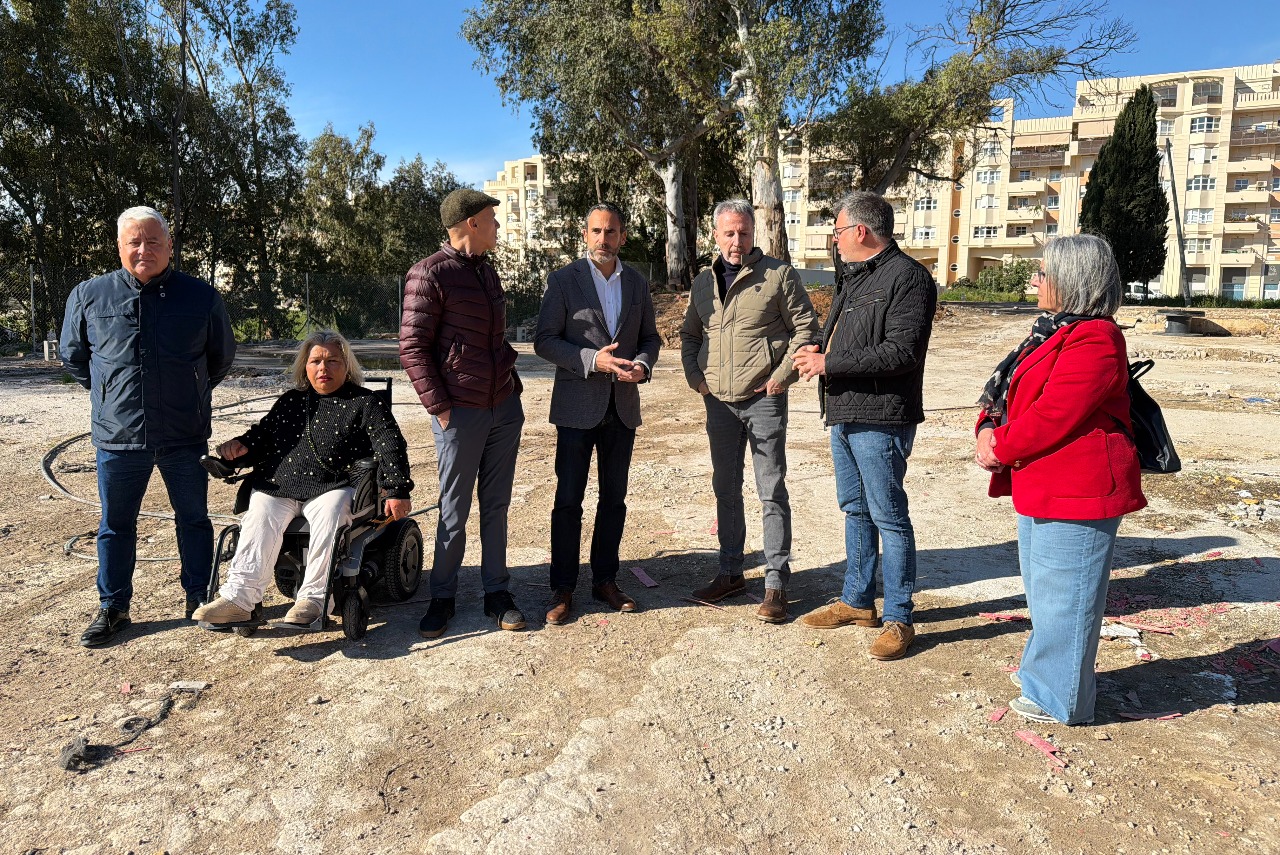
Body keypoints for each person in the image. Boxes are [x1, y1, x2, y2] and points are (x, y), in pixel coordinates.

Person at [973, 235, 1145, 724]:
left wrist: (1000, 446)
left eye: (1043, 273)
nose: (1034, 280)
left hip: (1079, 488)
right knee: (1046, 592)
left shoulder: (1096, 338)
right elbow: (1008, 393)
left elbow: (1054, 414)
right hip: (1043, 482)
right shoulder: (1050, 331)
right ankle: (1046, 674)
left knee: (1068, 598)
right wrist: (987, 427)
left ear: (1072, 281)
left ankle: (1061, 698)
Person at [61, 206, 236, 647]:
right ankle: (114, 607)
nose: (144, 250)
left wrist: (189, 392)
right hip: (119, 439)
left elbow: (220, 358)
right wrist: (109, 393)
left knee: (193, 519)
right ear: (120, 247)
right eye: (134, 242)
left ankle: (200, 595)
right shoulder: (89, 296)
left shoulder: (200, 297)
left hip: (184, 434)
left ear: (169, 246)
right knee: (116, 524)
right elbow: (74, 356)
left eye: (153, 241)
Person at [792, 190, 935, 661]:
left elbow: (901, 352)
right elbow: (834, 336)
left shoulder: (909, 278)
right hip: (846, 411)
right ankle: (857, 602)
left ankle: (899, 616)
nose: (834, 239)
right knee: (855, 510)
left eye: (836, 230)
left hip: (882, 416)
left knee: (890, 517)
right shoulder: (853, 277)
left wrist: (829, 362)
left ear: (860, 231)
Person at [192, 331, 413, 628]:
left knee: (332, 510)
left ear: (346, 366)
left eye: (333, 360)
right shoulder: (291, 402)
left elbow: (390, 445)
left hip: (333, 486)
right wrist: (239, 446)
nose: (324, 368)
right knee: (259, 508)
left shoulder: (366, 402)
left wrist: (397, 488)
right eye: (316, 361)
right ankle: (239, 600)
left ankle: (313, 600)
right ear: (305, 367)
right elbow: (263, 436)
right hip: (282, 486)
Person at [680, 199, 818, 623]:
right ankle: (729, 572)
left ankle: (775, 582)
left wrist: (781, 379)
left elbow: (806, 330)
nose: (736, 241)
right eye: (728, 233)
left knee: (770, 490)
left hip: (764, 400)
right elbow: (689, 335)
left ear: (753, 232)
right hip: (718, 403)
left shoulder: (778, 275)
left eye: (742, 232)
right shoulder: (703, 282)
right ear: (716, 235)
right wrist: (696, 379)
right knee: (726, 489)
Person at [400, 188, 526, 638]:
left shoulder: (487, 272)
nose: (497, 224)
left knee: (496, 506)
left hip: (502, 409)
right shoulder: (428, 274)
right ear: (471, 222)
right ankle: (443, 597)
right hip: (461, 414)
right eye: (491, 217)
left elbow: (491, 339)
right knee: (454, 510)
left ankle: (497, 593)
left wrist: (511, 383)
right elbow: (412, 348)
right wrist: (439, 407)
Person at [534, 203, 661, 624]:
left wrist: (642, 365)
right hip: (576, 407)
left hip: (622, 408)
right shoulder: (563, 281)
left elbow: (650, 338)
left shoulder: (638, 283)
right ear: (584, 234)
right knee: (568, 500)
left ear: (622, 236)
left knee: (614, 500)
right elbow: (545, 341)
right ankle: (563, 588)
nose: (603, 240)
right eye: (595, 231)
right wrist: (592, 360)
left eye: (610, 232)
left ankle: (606, 580)